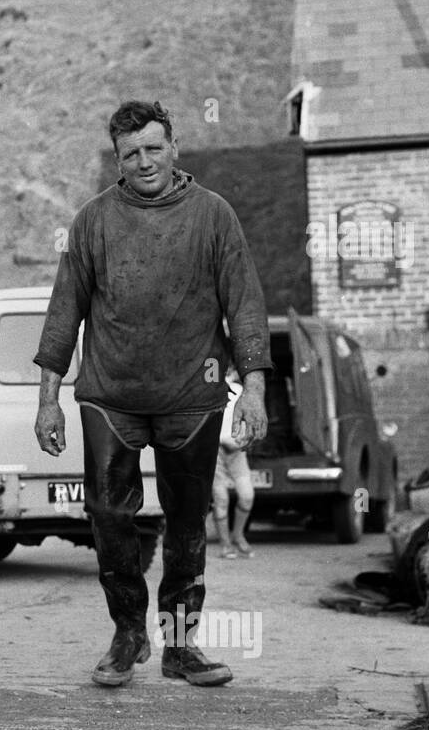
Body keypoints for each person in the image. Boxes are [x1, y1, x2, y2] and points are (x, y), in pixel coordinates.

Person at [33, 99, 270, 688]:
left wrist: (254, 388)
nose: (143, 161)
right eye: (130, 153)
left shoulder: (213, 215)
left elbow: (244, 304)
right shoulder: (93, 220)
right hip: (109, 394)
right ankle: (127, 632)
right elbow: (65, 311)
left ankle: (182, 645)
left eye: (153, 149)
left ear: (175, 148)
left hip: (194, 394)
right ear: (118, 159)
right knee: (109, 513)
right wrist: (47, 398)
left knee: (188, 518)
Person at [212, 366, 256, 558]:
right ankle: (225, 544)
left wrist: (243, 439)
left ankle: (238, 535)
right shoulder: (210, 392)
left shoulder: (240, 392)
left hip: (237, 451)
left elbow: (248, 420)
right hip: (215, 451)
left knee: (247, 496)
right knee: (221, 499)